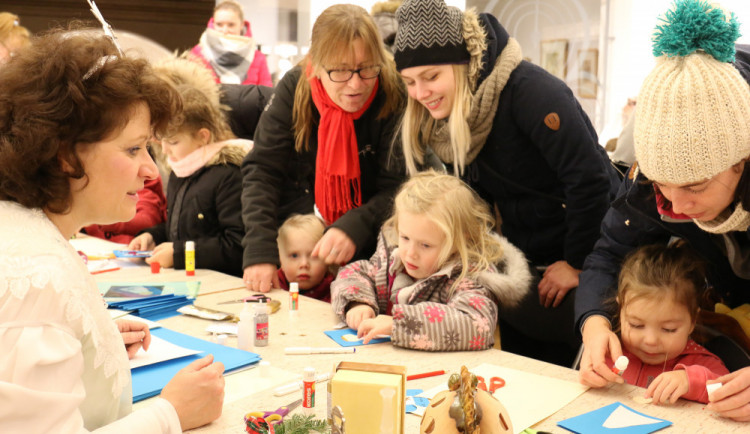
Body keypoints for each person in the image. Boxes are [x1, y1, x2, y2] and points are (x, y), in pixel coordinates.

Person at [0, 29, 223, 431]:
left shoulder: (27, 235)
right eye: (134, 148)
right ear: (67, 156)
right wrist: (170, 414)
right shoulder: (37, 279)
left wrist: (89, 343)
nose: (151, 170)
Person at [393, 0, 620, 364]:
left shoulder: (531, 91)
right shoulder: (449, 114)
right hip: (525, 254)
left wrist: (577, 262)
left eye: (431, 76)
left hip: (582, 247)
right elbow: (477, 198)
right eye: (410, 82)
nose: (421, 93)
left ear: (463, 63)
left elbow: (589, 179)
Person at [575, 0, 750, 421]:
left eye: (694, 186)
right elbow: (609, 253)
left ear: (740, 160)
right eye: (660, 186)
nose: (675, 207)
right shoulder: (654, 179)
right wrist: (595, 322)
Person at [241, 4, 406, 293]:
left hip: (374, 253)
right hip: (303, 251)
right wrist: (259, 251)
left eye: (366, 68)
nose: (356, 84)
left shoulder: (393, 90)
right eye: (340, 71)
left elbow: (400, 187)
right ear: (316, 65)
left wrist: (356, 225)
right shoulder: (294, 88)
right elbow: (263, 171)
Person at [331, 171, 531, 351]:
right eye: (405, 237)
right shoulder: (392, 257)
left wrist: (397, 325)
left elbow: (476, 325)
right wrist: (358, 303)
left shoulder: (471, 276)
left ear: (458, 241)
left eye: (425, 245)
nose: (410, 253)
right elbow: (355, 272)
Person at [129, 57, 249, 277]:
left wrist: (178, 255)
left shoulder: (230, 175)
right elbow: (183, 229)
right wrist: (153, 236)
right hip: (187, 279)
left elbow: (237, 246)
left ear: (202, 136)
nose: (165, 150)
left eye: (173, 142)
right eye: (162, 141)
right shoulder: (182, 169)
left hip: (221, 283)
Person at [606, 242, 728, 404]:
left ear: (692, 321)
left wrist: (692, 381)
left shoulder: (703, 363)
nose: (651, 340)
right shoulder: (608, 352)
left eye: (668, 329)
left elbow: (728, 392)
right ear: (621, 309)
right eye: (636, 325)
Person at [190, 0, 272, 86]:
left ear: (241, 25)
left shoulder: (258, 58)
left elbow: (265, 95)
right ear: (213, 24)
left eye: (231, 25)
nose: (225, 30)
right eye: (219, 24)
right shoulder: (198, 53)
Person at [82, 175, 167, 244]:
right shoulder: (98, 185)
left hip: (130, 256)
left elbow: (147, 220)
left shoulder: (143, 187)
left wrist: (101, 220)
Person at [277, 214, 334, 302]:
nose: (304, 264)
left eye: (314, 256)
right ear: (281, 261)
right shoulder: (272, 288)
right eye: (294, 255)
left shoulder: (337, 294)